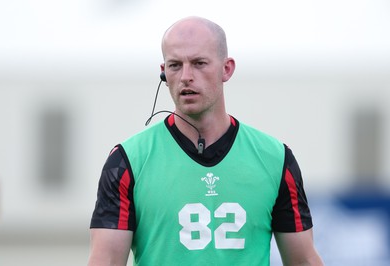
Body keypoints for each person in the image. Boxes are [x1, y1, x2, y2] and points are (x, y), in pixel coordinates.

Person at [88, 16, 323, 266]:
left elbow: (303, 261)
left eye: (199, 63)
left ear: (227, 68)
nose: (186, 76)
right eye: (175, 65)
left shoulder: (275, 158)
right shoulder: (128, 160)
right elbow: (106, 261)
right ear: (163, 73)